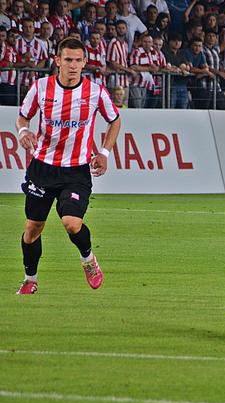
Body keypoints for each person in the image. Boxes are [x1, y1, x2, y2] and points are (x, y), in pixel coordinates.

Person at [15, 37, 121, 295]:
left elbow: (115, 121)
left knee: (72, 222)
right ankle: (30, 280)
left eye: (78, 60)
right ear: (57, 61)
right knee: (32, 230)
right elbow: (22, 117)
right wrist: (24, 132)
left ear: (85, 62)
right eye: (68, 60)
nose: (73, 66)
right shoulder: (41, 88)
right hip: (42, 168)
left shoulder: (96, 93)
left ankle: (88, 259)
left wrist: (105, 153)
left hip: (76, 171)